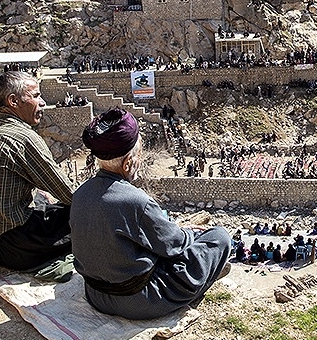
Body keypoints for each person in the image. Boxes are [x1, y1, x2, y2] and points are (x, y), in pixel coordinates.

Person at [70, 108, 231, 320]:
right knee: (219, 237)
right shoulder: (136, 200)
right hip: (137, 301)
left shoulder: (80, 193)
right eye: (139, 155)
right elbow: (176, 244)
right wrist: (191, 234)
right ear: (128, 163)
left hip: (96, 295)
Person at [0, 71, 74, 270]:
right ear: (13, 101)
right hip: (10, 248)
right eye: (36, 96)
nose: (43, 102)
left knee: (43, 201)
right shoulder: (23, 137)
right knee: (83, 215)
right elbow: (70, 194)